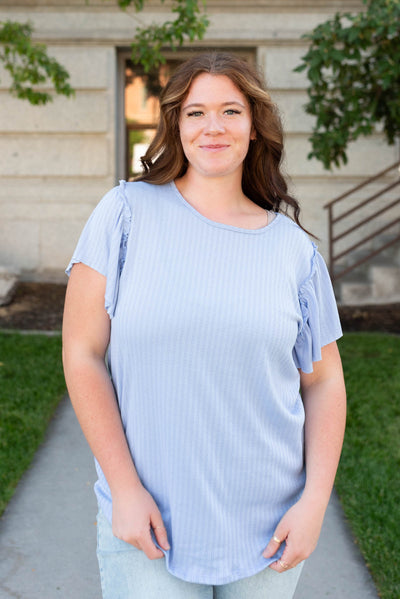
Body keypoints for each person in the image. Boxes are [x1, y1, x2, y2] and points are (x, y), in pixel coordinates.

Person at [62, 51, 346, 599]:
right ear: (174, 124)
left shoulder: (293, 251)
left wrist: (313, 504)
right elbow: (82, 352)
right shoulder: (124, 213)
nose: (212, 127)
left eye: (230, 111)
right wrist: (123, 488)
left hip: (270, 528)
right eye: (195, 113)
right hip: (148, 519)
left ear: (255, 126)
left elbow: (324, 380)